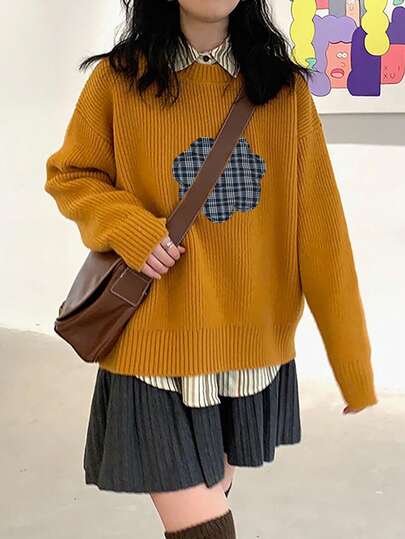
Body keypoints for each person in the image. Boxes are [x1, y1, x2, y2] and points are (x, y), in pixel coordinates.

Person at [44, 1, 378, 537]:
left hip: (247, 354)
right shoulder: (119, 80)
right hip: (152, 348)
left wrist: (352, 365)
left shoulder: (283, 92)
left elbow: (323, 239)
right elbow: (72, 174)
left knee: (212, 498)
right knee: (203, 527)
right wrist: (127, 226)